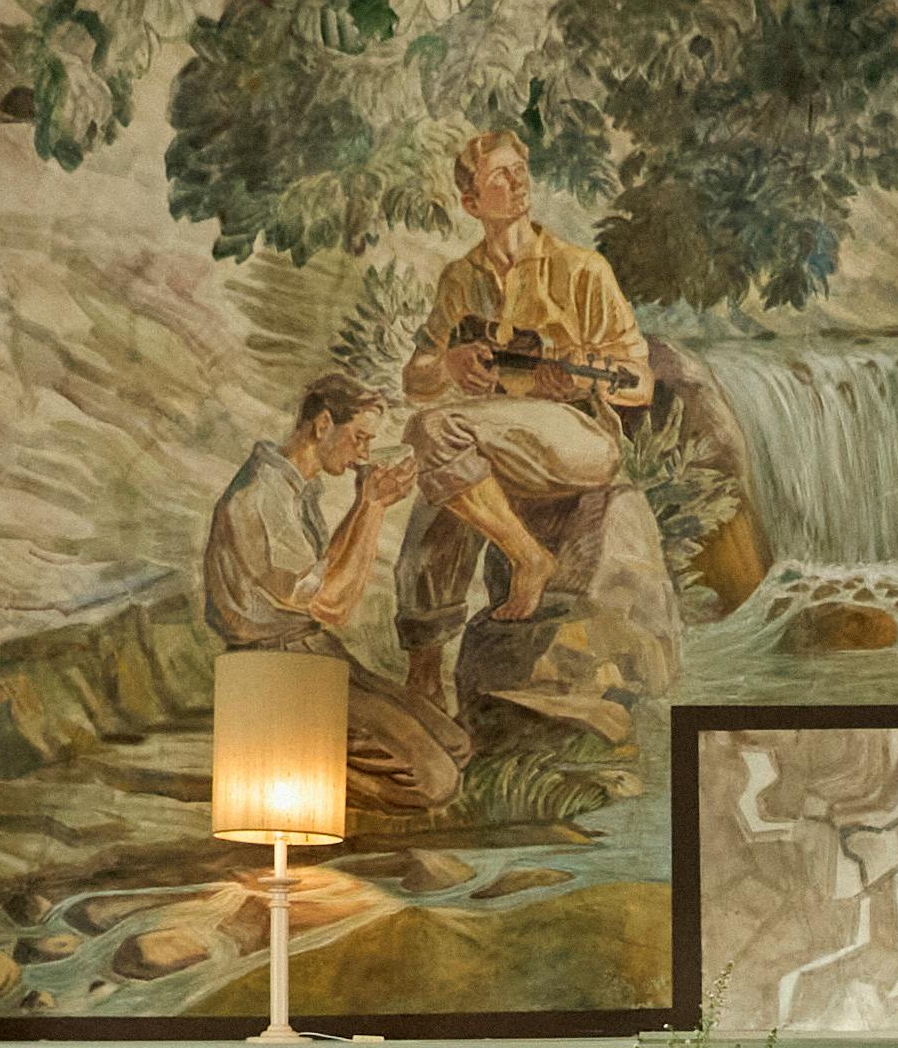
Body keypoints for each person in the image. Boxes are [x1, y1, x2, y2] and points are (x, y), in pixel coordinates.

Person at [393, 127, 651, 640]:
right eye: (500, 176)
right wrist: (448, 365)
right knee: (431, 516)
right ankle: (423, 666)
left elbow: (640, 381)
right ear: (471, 202)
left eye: (520, 171)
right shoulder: (459, 279)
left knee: (434, 431)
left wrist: (586, 375)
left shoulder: (581, 269)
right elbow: (415, 377)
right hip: (495, 446)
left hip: (577, 440)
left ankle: (530, 560)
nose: (517, 183)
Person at [200, 369, 457, 803]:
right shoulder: (262, 497)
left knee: (456, 744)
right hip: (276, 666)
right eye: (359, 438)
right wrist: (373, 509)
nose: (363, 454)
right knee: (438, 781)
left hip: (313, 651)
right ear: (323, 426)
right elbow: (330, 604)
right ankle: (293, 764)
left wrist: (364, 504)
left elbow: (327, 568)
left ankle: (310, 755)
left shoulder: (298, 489)